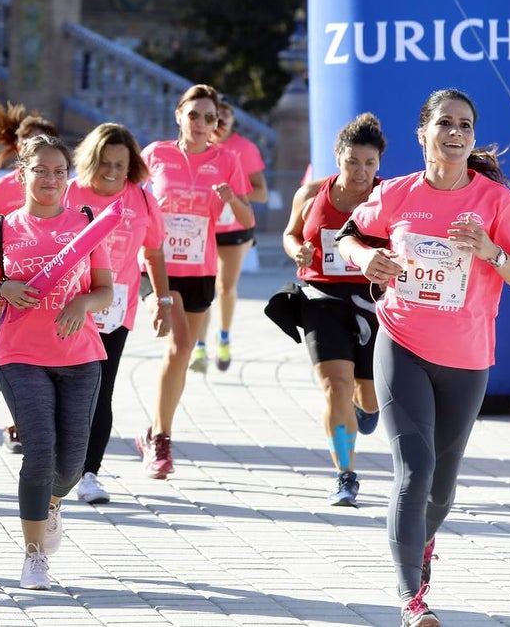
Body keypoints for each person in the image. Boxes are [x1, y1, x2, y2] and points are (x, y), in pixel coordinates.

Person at [336, 88, 510, 627]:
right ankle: (411, 598)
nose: (456, 132)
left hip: (467, 357)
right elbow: (348, 236)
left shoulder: (496, 202)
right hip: (402, 343)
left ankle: (421, 545)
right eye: (445, 122)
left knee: (441, 486)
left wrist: (489, 251)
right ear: (423, 133)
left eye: (465, 125)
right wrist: (366, 258)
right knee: (414, 469)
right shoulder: (396, 193)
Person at [0, 134, 113, 590]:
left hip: (80, 357)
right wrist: (2, 290)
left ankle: (51, 503)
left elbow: (104, 290)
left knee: (70, 465)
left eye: (59, 171)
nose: (51, 179)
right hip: (19, 355)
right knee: (40, 450)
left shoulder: (86, 224)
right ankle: (33, 556)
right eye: (41, 170)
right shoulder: (0, 230)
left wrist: (82, 304)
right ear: (23, 175)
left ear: (68, 176)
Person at [137, 84, 254, 479]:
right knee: (181, 345)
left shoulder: (228, 160)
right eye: (194, 115)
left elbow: (247, 218)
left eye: (209, 118)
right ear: (179, 116)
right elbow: (129, 199)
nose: (202, 123)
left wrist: (231, 198)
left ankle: (154, 431)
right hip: (157, 265)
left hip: (200, 269)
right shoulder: (155, 154)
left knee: (181, 352)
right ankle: (161, 439)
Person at [278, 112, 385, 507]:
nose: (360, 172)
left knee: (369, 400)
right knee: (334, 386)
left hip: (371, 301)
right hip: (320, 298)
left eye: (369, 163)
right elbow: (290, 234)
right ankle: (345, 474)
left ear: (379, 163)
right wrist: (298, 251)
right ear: (338, 157)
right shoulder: (310, 194)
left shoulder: (387, 196)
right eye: (352, 161)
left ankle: (364, 407)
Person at [63, 123, 173, 504]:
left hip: (114, 310)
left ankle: (89, 474)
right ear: (91, 160)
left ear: (131, 167)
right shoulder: (70, 192)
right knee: (65, 386)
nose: (111, 172)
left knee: (101, 388)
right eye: (104, 163)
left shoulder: (141, 200)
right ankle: (57, 462)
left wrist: (163, 301)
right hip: (67, 304)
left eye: (120, 166)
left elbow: (153, 252)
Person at [0, 103, 59, 454]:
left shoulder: (61, 187)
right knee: (3, 357)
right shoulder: (4, 187)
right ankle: (15, 419)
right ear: (19, 148)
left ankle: (28, 420)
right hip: (6, 288)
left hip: (50, 291)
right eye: (30, 142)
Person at [191, 100, 270, 372]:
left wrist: (233, 194)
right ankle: (200, 345)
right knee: (203, 288)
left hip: (236, 228)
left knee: (225, 286)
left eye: (226, 116)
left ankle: (223, 337)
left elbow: (262, 193)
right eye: (216, 116)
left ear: (233, 119)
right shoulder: (198, 146)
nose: (220, 122)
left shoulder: (244, 149)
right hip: (203, 227)